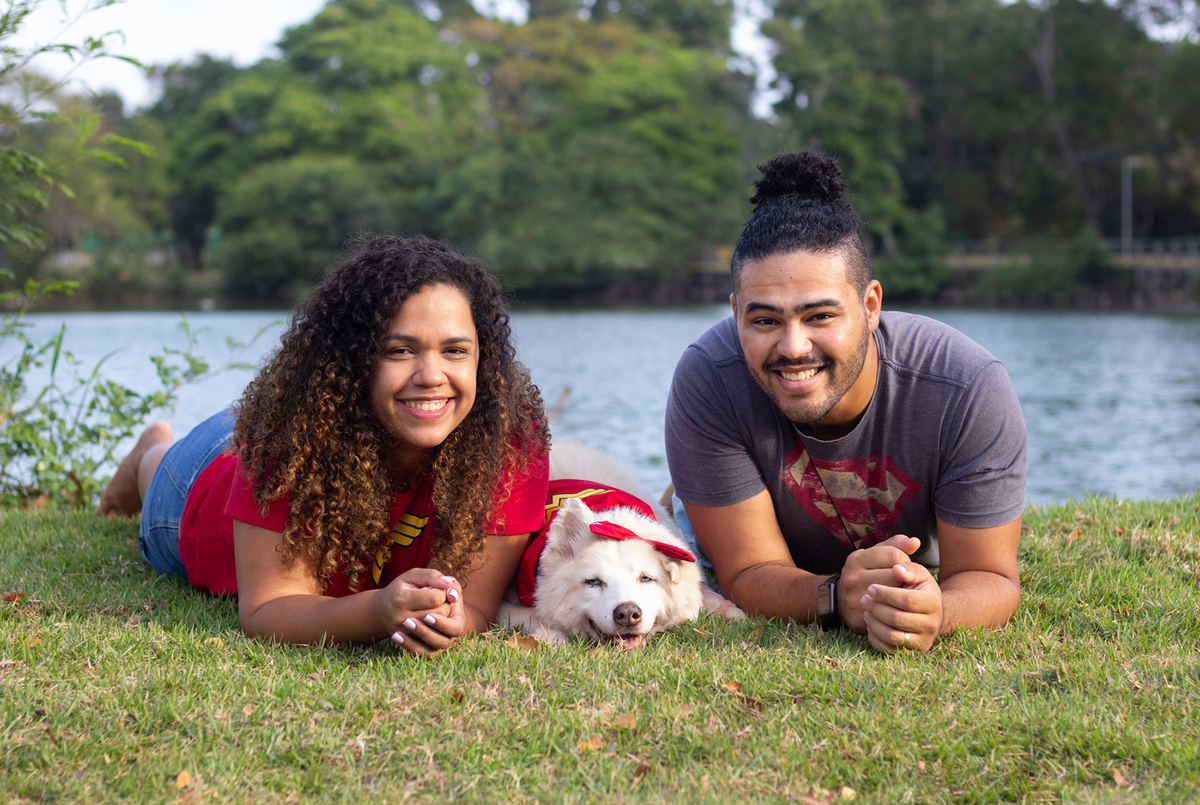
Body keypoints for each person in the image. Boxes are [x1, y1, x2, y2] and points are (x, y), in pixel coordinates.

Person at [99, 235, 551, 657]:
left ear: (482, 357)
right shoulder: (290, 436)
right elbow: (265, 611)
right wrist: (376, 612)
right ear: (353, 361)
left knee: (255, 424)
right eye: (399, 351)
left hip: (275, 430)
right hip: (198, 484)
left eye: (455, 351)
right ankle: (149, 449)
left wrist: (451, 621)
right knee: (162, 473)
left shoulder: (509, 440)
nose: (431, 376)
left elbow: (474, 607)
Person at [664, 152, 1027, 654]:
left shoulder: (965, 386)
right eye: (765, 321)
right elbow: (747, 573)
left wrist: (939, 612)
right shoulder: (709, 375)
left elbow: (988, 575)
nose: (793, 347)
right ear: (735, 313)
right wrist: (834, 595)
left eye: (819, 316)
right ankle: (694, 491)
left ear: (870, 306)